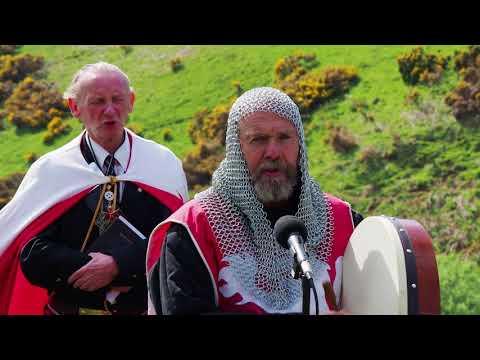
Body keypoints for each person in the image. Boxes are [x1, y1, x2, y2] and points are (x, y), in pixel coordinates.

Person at [146, 87, 363, 315]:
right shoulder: (194, 230)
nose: (273, 152)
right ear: (236, 148)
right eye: (258, 139)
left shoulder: (342, 220)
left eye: (284, 138)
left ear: (300, 144)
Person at [0, 62, 188, 315]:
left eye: (117, 99)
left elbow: (176, 240)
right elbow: (32, 253)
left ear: (131, 101)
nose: (109, 110)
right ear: (74, 107)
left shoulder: (162, 163)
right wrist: (89, 267)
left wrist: (118, 265)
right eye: (97, 101)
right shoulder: (52, 170)